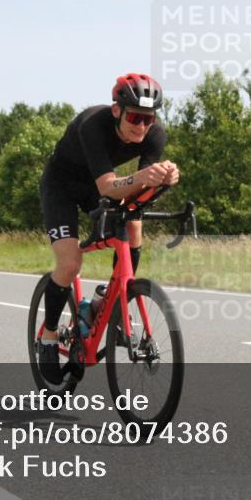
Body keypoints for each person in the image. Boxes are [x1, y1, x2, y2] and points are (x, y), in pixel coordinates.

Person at [37, 73, 180, 383]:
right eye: (135, 117)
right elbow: (109, 184)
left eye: (148, 119)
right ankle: (48, 337)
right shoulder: (93, 124)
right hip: (62, 185)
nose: (141, 126)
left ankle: (111, 300)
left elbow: (136, 193)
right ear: (117, 111)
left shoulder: (155, 135)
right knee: (70, 261)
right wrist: (143, 178)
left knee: (133, 226)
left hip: (100, 187)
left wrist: (163, 180)